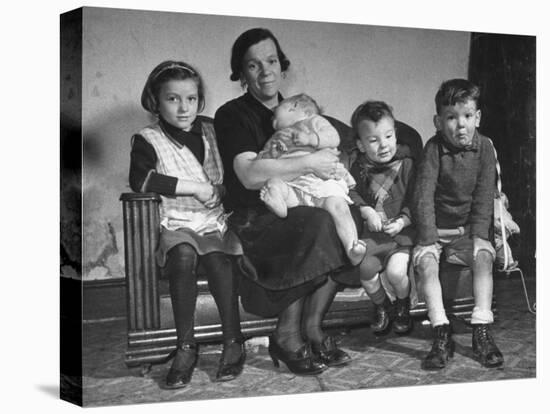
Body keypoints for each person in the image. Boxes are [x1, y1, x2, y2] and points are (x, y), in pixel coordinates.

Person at [214, 28, 355, 375]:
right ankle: (288, 334)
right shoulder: (232, 115)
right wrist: (308, 162)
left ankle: (312, 326)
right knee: (318, 223)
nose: (265, 72)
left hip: (302, 200)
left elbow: (333, 147)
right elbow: (249, 174)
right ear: (241, 73)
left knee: (345, 217)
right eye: (253, 65)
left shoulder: (299, 110)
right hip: (257, 212)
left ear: (282, 64)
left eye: (272, 61)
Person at [129, 60, 246, 388]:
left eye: (191, 99)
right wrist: (194, 187)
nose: (183, 107)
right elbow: (141, 179)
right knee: (182, 257)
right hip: (176, 222)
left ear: (199, 100)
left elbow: (232, 176)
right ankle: (185, 346)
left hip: (213, 221)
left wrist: (219, 190)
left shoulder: (211, 129)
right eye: (173, 98)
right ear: (155, 100)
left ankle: (233, 341)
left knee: (218, 260)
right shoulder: (147, 138)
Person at [413, 78, 503, 370]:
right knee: (426, 264)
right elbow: (423, 196)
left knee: (484, 257)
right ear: (438, 121)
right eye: (451, 118)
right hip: (436, 232)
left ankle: (481, 329)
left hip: (466, 231)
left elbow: (483, 196)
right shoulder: (433, 149)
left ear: (477, 117)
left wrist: (479, 236)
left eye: (466, 116)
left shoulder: (486, 148)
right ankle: (441, 333)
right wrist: (427, 239)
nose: (460, 125)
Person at [258, 93, 366, 265]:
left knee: (338, 206)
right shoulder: (275, 138)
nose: (272, 117)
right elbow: (262, 163)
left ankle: (352, 247)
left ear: (297, 108)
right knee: (273, 183)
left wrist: (310, 139)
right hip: (293, 184)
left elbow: (334, 138)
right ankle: (279, 203)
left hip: (320, 181)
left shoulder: (312, 122)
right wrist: (272, 153)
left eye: (278, 111)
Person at [349, 101, 416, 335]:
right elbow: (351, 191)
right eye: (373, 140)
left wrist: (403, 221)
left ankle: (403, 305)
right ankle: (383, 306)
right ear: (360, 144)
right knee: (365, 272)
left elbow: (416, 200)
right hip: (374, 238)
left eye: (388, 136)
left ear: (395, 134)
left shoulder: (407, 165)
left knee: (397, 273)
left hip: (401, 236)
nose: (383, 145)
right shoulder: (358, 168)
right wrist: (366, 210)